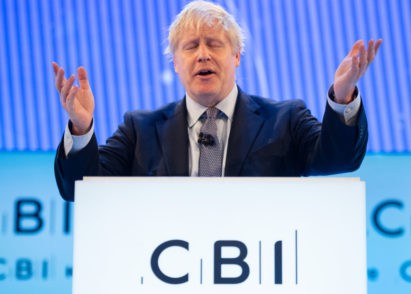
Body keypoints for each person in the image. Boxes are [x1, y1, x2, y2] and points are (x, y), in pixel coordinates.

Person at [53, 0, 382, 201]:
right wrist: (81, 129)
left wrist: (342, 98)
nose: (203, 55)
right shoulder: (140, 129)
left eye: (214, 44)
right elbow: (79, 190)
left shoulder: (285, 119)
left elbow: (338, 159)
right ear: (175, 63)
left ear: (237, 56)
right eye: (191, 46)